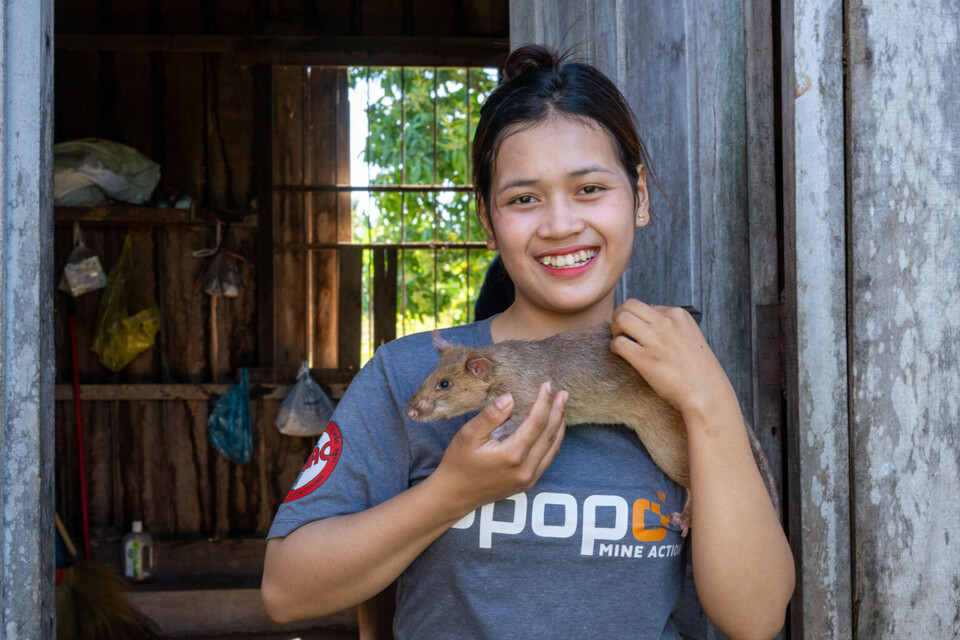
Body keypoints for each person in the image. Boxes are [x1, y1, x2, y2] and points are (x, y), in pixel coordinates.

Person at [262, 45, 795, 639]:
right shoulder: (402, 372)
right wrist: (453, 493)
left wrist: (709, 401)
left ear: (638, 196)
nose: (561, 223)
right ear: (488, 220)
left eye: (590, 188)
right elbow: (287, 592)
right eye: (523, 198)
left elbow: (757, 619)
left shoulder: (678, 366)